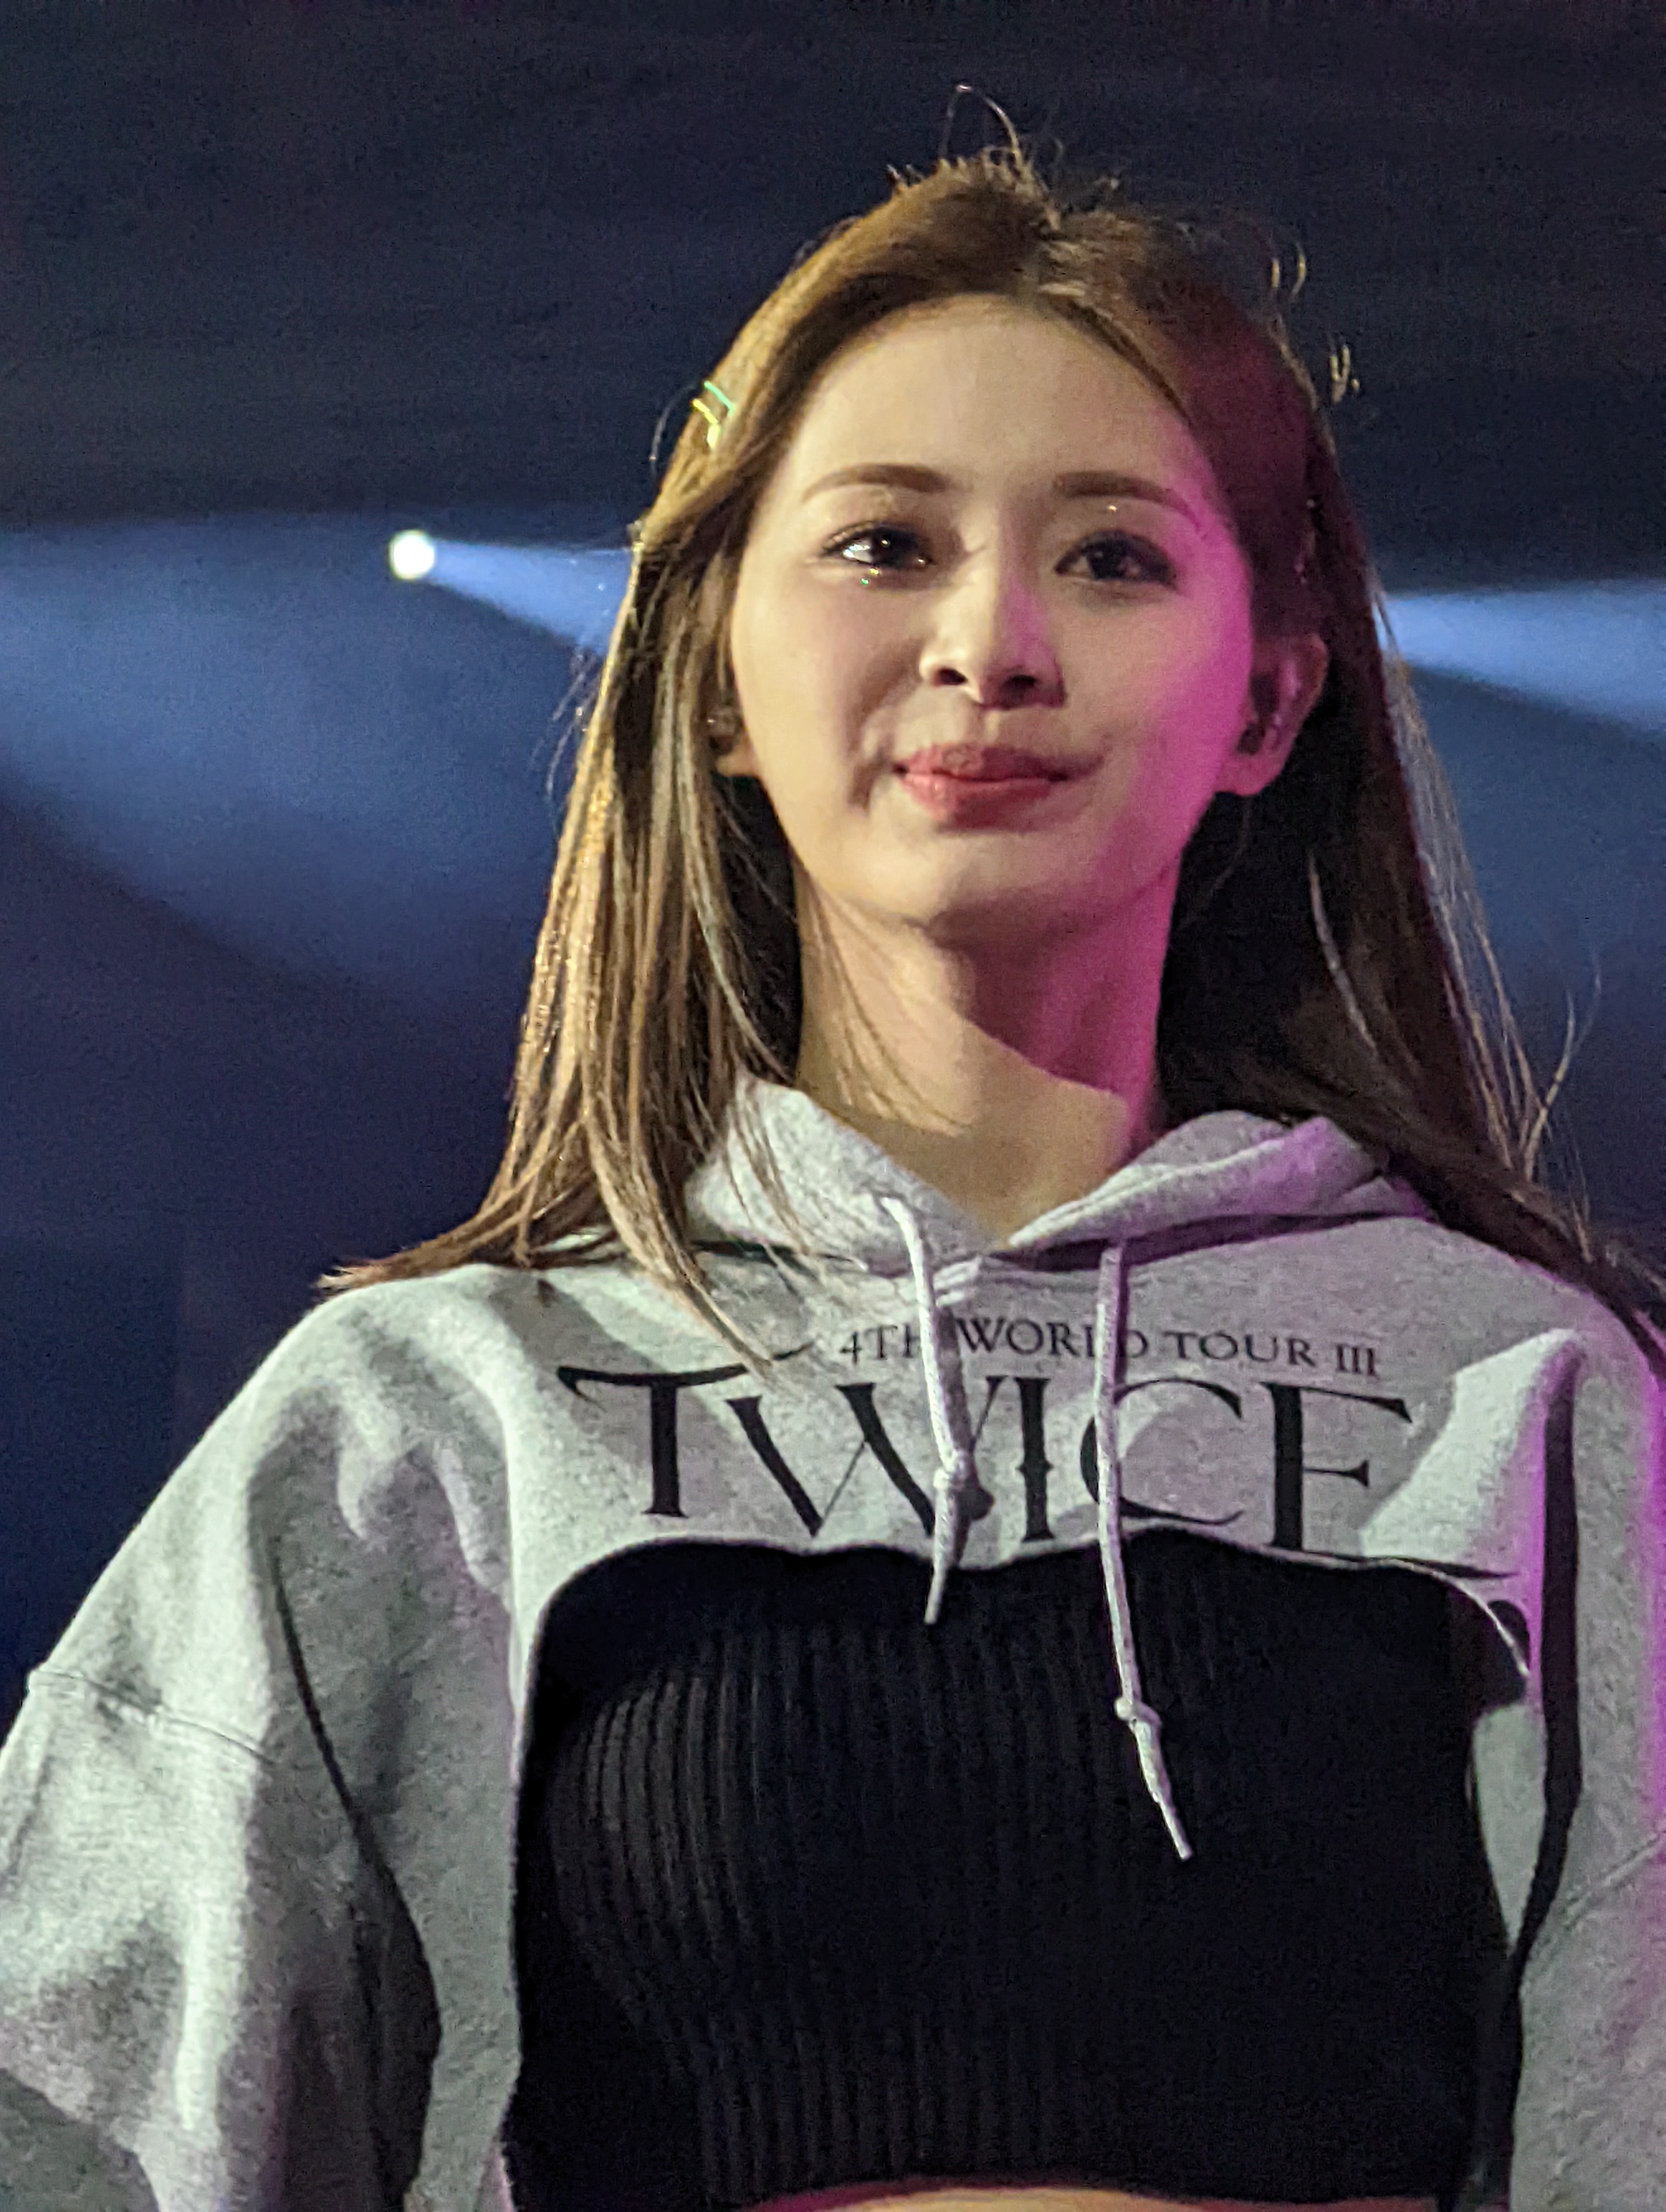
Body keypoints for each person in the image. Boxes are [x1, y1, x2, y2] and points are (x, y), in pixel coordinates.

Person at [2, 124, 1663, 2212]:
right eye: (886, 544)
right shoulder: (441, 1417)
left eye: (1112, 558)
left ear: (1269, 701)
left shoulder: (1521, 1395)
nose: (993, 643)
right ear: (713, 673)